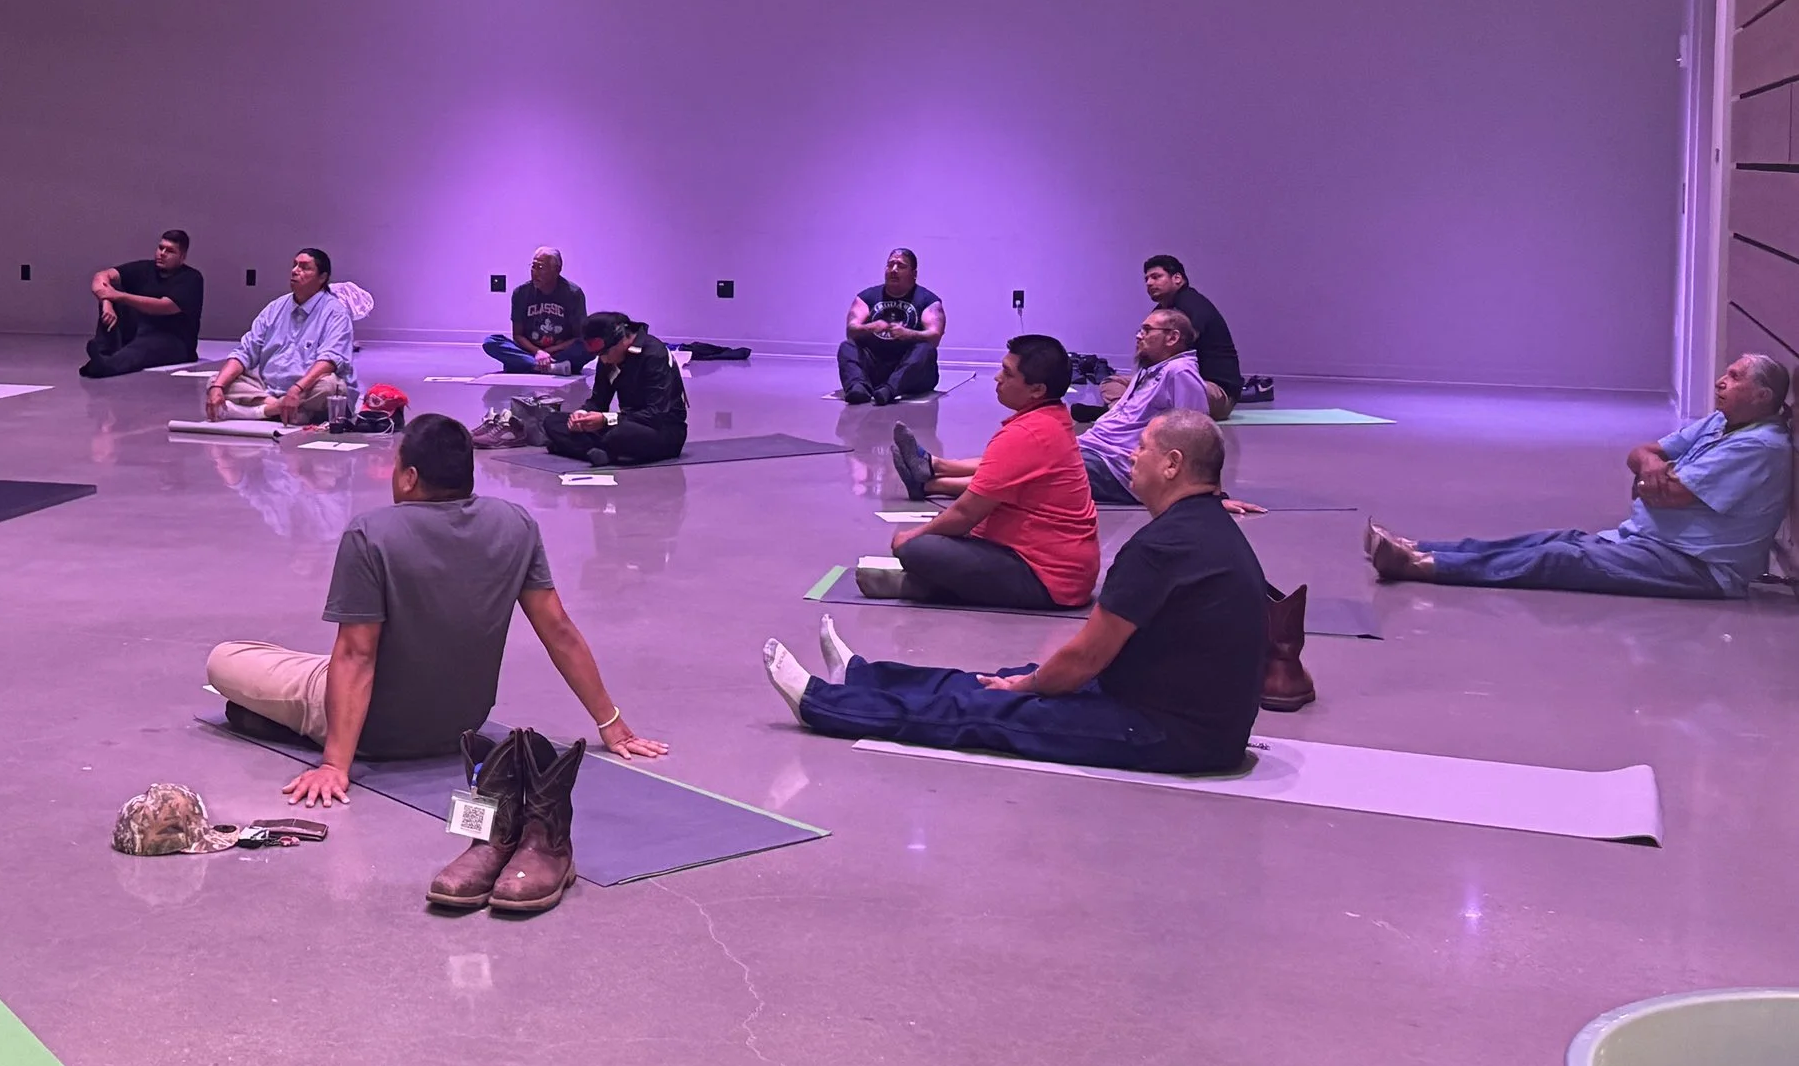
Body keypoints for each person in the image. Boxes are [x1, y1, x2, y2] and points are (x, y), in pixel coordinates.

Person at [765, 411, 1270, 774]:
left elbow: (1086, 657)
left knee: (994, 710)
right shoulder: (1207, 527)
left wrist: (1028, 688)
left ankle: (824, 704)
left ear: (1173, 464)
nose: (1131, 456)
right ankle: (863, 676)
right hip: (1161, 702)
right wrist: (1025, 680)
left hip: (1170, 733)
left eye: (1142, 448)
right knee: (1000, 680)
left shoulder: (1163, 547)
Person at [205, 414, 666, 809]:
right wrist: (612, 724)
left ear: (409, 477)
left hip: (376, 730)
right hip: (461, 723)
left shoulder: (372, 534)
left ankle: (288, 719)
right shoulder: (516, 523)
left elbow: (356, 656)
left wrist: (334, 765)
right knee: (313, 664)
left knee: (226, 658)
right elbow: (558, 629)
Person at [1367, 354, 1796, 599]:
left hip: (1695, 566)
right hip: (1647, 541)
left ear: (1762, 396)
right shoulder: (1722, 422)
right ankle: (1421, 546)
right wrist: (1650, 468)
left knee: (1559, 559)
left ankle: (1424, 567)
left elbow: (1670, 495)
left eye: (1734, 378)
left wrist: (1645, 480)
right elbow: (1641, 454)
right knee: (1555, 539)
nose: (1721, 381)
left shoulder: (1760, 447)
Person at [859, 335, 1097, 609]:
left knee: (917, 549)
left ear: (1037, 390)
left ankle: (924, 585)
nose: (998, 378)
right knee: (940, 540)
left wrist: (909, 538)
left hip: (1046, 579)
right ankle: (926, 578)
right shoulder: (1052, 417)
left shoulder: (1027, 433)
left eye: (1008, 373)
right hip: (1062, 570)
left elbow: (965, 514)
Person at [898, 307, 1208, 508]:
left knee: (1028, 473)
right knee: (1022, 457)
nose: (1139, 335)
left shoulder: (1179, 373)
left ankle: (931, 483)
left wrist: (1208, 494)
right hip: (1097, 449)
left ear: (1173, 337)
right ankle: (936, 466)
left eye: (1148, 330)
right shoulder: (1153, 368)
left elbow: (1198, 436)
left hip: (1117, 466)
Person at [206, 249, 355, 424]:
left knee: (330, 387)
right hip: (268, 389)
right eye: (295, 265)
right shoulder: (275, 308)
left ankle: (256, 411)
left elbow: (329, 360)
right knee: (216, 380)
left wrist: (296, 389)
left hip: (306, 389)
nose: (295, 271)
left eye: (304, 267)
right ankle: (282, 410)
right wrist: (218, 386)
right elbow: (245, 352)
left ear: (322, 278)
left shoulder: (335, 313)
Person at [541, 312, 690, 466]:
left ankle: (580, 449)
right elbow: (598, 401)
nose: (603, 360)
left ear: (622, 340)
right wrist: (582, 414)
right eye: (599, 355)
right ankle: (603, 453)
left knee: (620, 434)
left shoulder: (654, 354)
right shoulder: (607, 358)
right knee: (553, 421)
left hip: (661, 428)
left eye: (605, 353)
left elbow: (657, 412)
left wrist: (606, 420)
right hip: (623, 421)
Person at [81, 229, 205, 378]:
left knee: (141, 351)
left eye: (170, 251)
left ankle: (104, 366)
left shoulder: (192, 278)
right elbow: (101, 276)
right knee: (113, 291)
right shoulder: (145, 268)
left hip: (174, 340)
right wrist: (107, 301)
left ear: (182, 257)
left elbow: (164, 306)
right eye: (161, 248)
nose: (162, 253)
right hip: (141, 330)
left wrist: (118, 296)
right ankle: (103, 353)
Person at [839, 248, 945, 405]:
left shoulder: (929, 301)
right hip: (876, 367)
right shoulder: (866, 297)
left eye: (901, 266)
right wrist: (871, 327)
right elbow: (851, 330)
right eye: (890, 265)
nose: (894, 270)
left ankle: (889, 390)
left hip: (912, 372)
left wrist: (908, 334)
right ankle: (858, 387)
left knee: (925, 349)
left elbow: (935, 336)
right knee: (847, 347)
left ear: (914, 274)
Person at [1142, 255, 1241, 419]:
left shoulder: (1192, 306)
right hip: (1175, 383)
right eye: (1146, 279)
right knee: (1113, 383)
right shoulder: (1161, 312)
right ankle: (1129, 412)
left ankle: (1137, 412)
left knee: (1170, 381)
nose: (1149, 283)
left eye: (1156, 276)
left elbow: (1176, 355)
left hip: (1215, 391)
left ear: (1177, 278)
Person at [482, 246, 591, 375]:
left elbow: (578, 336)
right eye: (533, 267)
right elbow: (518, 335)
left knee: (589, 347)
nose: (535, 272)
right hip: (531, 351)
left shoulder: (573, 293)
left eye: (540, 267)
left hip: (559, 352)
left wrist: (547, 352)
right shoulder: (521, 293)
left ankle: (526, 364)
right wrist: (538, 352)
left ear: (557, 270)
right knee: (491, 342)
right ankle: (550, 368)